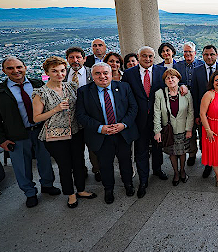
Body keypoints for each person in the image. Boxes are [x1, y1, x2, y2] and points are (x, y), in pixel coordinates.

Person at [0, 57, 60, 208]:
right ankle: (30, 193)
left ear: (25, 67)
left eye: (19, 67)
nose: (16, 71)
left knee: (45, 160)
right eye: (10, 68)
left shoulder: (37, 84)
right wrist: (1, 140)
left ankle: (47, 185)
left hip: (40, 131)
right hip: (16, 135)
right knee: (22, 167)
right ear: (4, 71)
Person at [32, 56, 96, 208]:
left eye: (62, 70)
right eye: (54, 71)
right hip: (55, 136)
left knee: (79, 162)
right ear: (47, 72)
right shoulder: (40, 93)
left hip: (76, 131)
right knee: (65, 166)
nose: (59, 74)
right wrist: (56, 109)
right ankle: (70, 194)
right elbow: (36, 118)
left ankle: (81, 189)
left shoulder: (71, 86)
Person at [76, 63, 139, 204]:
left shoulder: (124, 87)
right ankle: (108, 189)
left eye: (105, 73)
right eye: (98, 73)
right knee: (105, 164)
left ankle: (128, 184)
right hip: (101, 136)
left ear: (111, 74)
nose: (102, 76)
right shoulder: (84, 92)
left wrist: (123, 124)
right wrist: (100, 128)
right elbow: (81, 115)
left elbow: (133, 108)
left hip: (122, 133)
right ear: (92, 76)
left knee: (126, 161)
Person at [122, 46, 168, 199]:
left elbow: (169, 88)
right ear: (138, 56)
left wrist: (182, 87)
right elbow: (125, 96)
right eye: (144, 56)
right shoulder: (129, 74)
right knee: (141, 151)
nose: (148, 59)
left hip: (157, 119)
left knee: (157, 147)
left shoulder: (162, 72)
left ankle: (157, 169)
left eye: (150, 56)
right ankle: (143, 180)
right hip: (138, 120)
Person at [192, 45, 218, 178]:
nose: (209, 57)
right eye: (206, 54)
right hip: (205, 115)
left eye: (212, 54)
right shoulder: (196, 70)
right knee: (207, 142)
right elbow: (195, 93)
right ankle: (209, 164)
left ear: (217, 55)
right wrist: (197, 115)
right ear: (202, 55)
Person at [64, 46, 100, 182]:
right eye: (71, 58)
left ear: (84, 59)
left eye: (78, 57)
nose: (75, 60)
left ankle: (97, 169)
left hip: (90, 115)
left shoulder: (93, 73)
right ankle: (80, 170)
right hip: (70, 117)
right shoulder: (63, 74)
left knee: (94, 146)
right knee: (75, 148)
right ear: (67, 60)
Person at [153, 69, 194, 186]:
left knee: (182, 152)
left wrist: (189, 129)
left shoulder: (186, 93)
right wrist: (157, 131)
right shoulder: (160, 94)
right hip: (168, 131)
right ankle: (175, 172)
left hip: (183, 129)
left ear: (178, 79)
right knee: (172, 153)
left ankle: (182, 170)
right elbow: (156, 114)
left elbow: (191, 112)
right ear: (164, 81)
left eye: (173, 77)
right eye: (167, 78)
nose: (170, 80)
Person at [173, 41, 204, 166]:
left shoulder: (202, 65)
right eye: (185, 51)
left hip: (200, 101)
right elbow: (174, 80)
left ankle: (205, 153)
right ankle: (192, 153)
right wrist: (181, 85)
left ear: (195, 53)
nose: (188, 54)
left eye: (190, 51)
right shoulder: (178, 66)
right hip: (184, 103)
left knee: (202, 128)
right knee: (189, 129)